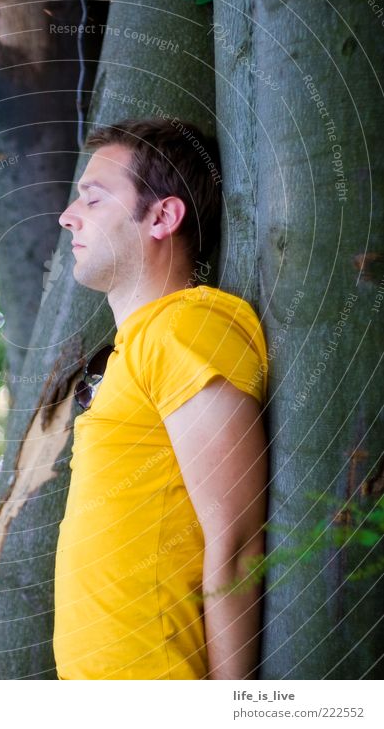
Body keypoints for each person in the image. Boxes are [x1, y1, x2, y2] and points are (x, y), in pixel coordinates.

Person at [53, 118, 268, 680]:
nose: (67, 216)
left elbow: (238, 540)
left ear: (162, 217)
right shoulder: (137, 348)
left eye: (94, 201)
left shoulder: (188, 326)